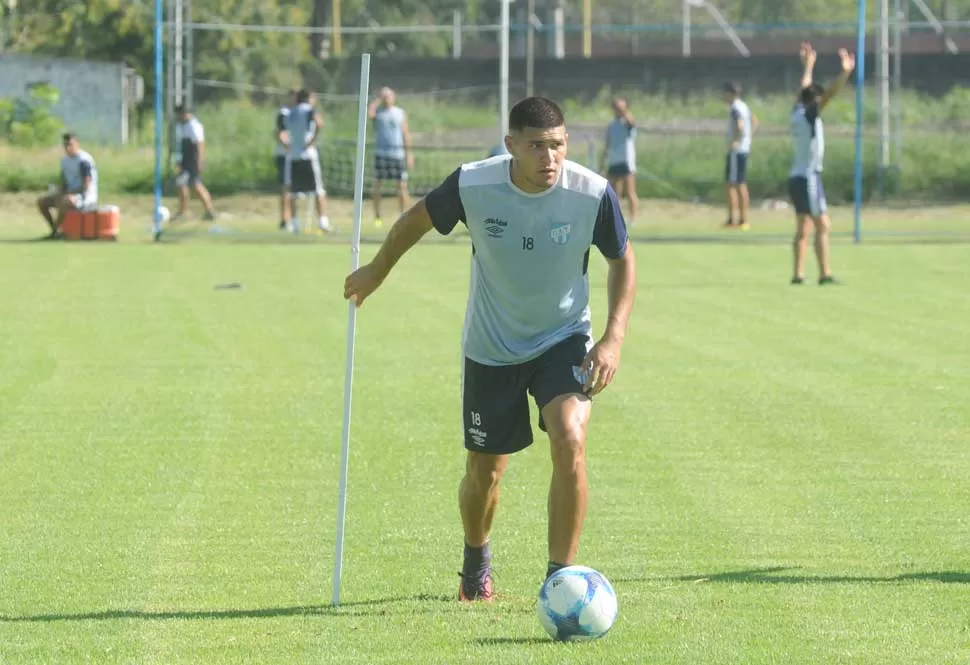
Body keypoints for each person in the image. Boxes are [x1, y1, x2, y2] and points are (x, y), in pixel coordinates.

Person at [343, 96, 637, 602]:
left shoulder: (592, 193)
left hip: (563, 337)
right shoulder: (474, 184)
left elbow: (623, 261)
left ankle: (560, 582)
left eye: (559, 145)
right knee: (485, 472)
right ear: (511, 146)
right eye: (537, 146)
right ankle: (476, 560)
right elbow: (414, 221)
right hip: (492, 344)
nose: (550, 158)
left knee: (570, 438)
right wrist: (376, 270)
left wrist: (612, 337)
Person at [788, 42, 855, 285]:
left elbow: (804, 90)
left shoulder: (797, 112)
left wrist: (809, 66)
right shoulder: (809, 114)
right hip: (809, 177)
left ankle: (798, 274)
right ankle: (825, 274)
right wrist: (845, 73)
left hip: (796, 176)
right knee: (823, 224)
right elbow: (829, 94)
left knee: (803, 226)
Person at [283, 89, 331, 234]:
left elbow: (280, 130)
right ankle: (323, 222)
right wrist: (312, 140)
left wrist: (288, 145)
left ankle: (295, 224)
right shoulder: (309, 110)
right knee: (318, 190)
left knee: (293, 192)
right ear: (309, 98)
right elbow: (320, 123)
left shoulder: (290, 112)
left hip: (294, 156)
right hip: (308, 155)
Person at [36, 132, 98, 238]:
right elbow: (64, 180)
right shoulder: (65, 160)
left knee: (65, 201)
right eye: (65, 145)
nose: (68, 148)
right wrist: (59, 191)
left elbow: (86, 185)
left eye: (70, 145)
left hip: (85, 196)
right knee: (42, 202)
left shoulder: (84, 160)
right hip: (69, 193)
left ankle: (54, 232)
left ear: (77, 144)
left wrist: (70, 193)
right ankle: (55, 230)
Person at [368, 87, 413, 226]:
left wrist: (409, 154)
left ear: (394, 97)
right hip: (381, 155)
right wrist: (377, 101)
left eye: (388, 95)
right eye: (384, 96)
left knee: (401, 186)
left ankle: (404, 216)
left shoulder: (400, 113)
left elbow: (406, 133)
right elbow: (369, 114)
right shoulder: (378, 113)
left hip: (397, 155)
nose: (386, 98)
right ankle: (377, 217)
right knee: (377, 185)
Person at [173, 105, 217, 221]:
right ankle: (206, 211)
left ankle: (204, 211)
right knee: (189, 185)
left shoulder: (193, 126)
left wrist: (200, 161)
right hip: (186, 160)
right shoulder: (184, 126)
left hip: (192, 160)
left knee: (192, 185)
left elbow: (199, 144)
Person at [722, 82, 758, 230]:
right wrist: (748, 138)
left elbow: (739, 125)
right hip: (744, 149)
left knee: (732, 184)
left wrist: (737, 141)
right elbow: (755, 120)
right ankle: (741, 219)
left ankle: (736, 219)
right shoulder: (744, 106)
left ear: (730, 93)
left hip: (736, 151)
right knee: (739, 183)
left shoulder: (735, 108)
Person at [601, 97, 639, 221]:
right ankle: (616, 218)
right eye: (616, 108)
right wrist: (603, 161)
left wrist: (625, 112)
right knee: (612, 193)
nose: (618, 110)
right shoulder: (611, 125)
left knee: (630, 192)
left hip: (626, 162)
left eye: (620, 108)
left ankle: (633, 219)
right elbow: (607, 144)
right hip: (613, 161)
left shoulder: (627, 122)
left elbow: (631, 123)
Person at [274, 91, 294, 230]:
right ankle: (285, 219)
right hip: (285, 154)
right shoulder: (284, 113)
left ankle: (292, 218)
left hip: (294, 155)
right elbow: (280, 133)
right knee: (286, 187)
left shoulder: (296, 112)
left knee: (293, 188)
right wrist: (289, 147)